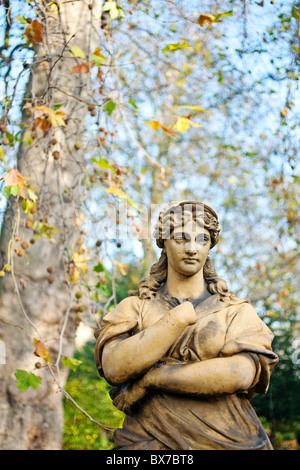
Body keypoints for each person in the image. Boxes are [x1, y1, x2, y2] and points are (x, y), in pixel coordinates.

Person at [94, 200, 279, 450]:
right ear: (164, 243)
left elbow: (240, 373)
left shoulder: (235, 311)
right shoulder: (135, 307)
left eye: (202, 240)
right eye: (181, 238)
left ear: (210, 246)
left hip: (230, 441)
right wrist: (176, 319)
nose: (192, 248)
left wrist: (153, 378)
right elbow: (115, 367)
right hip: (149, 443)